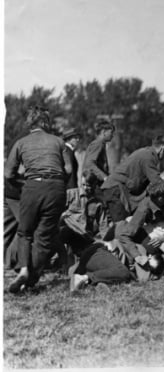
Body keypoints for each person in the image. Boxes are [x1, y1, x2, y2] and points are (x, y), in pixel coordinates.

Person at [5, 106, 72, 293]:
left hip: (32, 186)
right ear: (43, 122)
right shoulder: (59, 142)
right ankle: (30, 281)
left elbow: (8, 173)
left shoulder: (21, 143)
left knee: (25, 232)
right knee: (44, 237)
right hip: (57, 189)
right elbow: (68, 170)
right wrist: (57, 184)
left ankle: (24, 270)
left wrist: (22, 186)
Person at [113, 180, 164, 269]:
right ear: (159, 198)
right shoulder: (144, 207)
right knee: (152, 247)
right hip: (150, 229)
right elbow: (125, 234)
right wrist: (137, 256)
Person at [101, 135, 164, 221]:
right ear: (163, 148)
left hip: (116, 190)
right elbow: (157, 182)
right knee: (119, 226)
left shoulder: (146, 153)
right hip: (115, 190)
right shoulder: (148, 157)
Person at [82, 120, 114, 193]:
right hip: (96, 184)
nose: (112, 135)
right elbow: (90, 164)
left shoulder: (100, 144)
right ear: (104, 132)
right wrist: (104, 177)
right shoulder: (98, 144)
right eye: (111, 132)